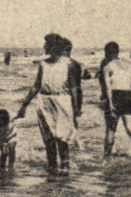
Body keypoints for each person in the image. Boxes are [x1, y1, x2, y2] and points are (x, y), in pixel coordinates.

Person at [15, 33, 82, 172]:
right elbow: (36, 86)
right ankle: (52, 168)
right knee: (48, 139)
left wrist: (75, 109)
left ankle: (65, 167)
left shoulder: (68, 65)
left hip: (62, 101)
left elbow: (74, 88)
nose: (44, 47)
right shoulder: (43, 64)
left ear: (54, 47)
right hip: (44, 101)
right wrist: (24, 105)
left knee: (62, 138)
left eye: (47, 44)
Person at [99, 40, 131, 159]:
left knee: (111, 129)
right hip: (128, 95)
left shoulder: (107, 67)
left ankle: (106, 158)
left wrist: (110, 104)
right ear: (117, 52)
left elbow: (108, 88)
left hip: (115, 95)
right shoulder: (129, 66)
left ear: (107, 53)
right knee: (130, 128)